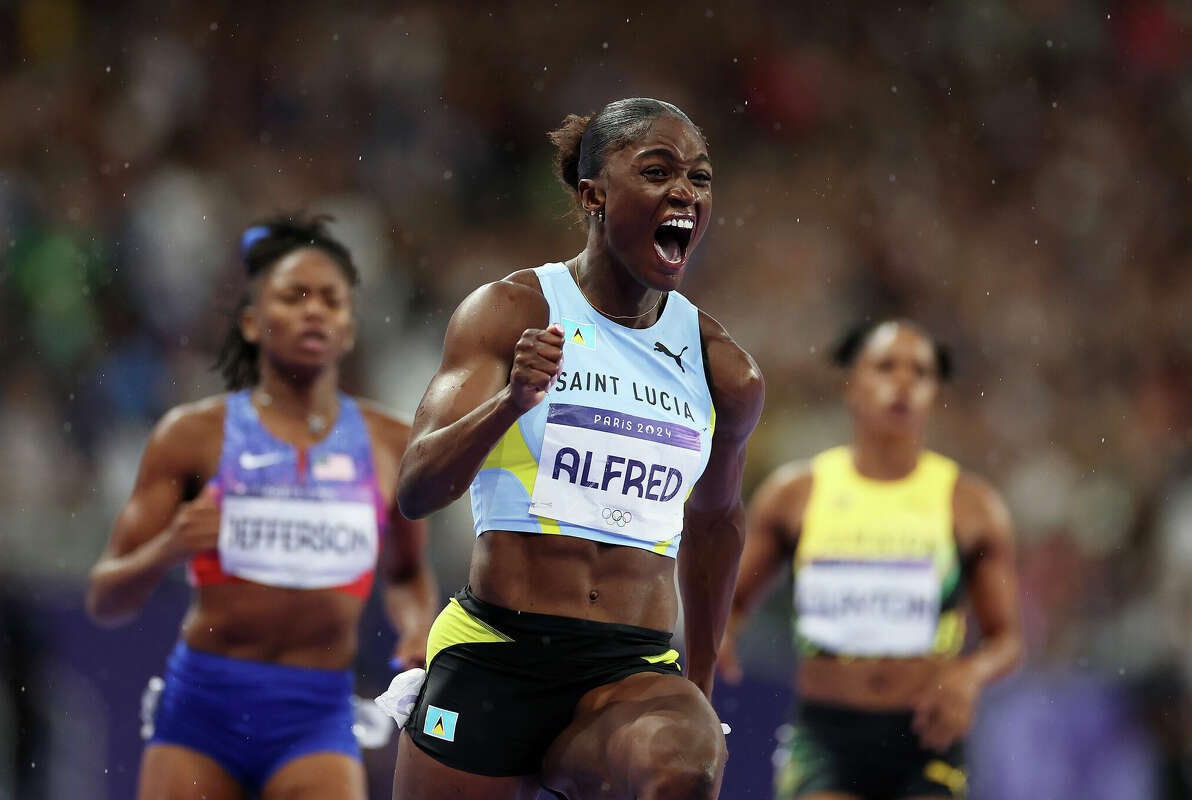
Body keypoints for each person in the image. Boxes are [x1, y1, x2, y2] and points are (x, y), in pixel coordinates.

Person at [391, 98, 764, 800]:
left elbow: (716, 524)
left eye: (701, 178)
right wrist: (512, 402)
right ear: (593, 195)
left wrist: (701, 690)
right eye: (658, 171)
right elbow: (416, 488)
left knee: (683, 768)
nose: (686, 190)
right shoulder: (511, 311)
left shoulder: (724, 371)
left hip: (629, 674)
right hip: (495, 652)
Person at [86, 215, 438, 800]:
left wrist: (415, 627)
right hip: (202, 707)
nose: (314, 311)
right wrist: (167, 549)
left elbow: (405, 574)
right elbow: (105, 598)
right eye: (294, 296)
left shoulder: (390, 443)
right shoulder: (193, 435)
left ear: (349, 328)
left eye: (331, 299)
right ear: (252, 322)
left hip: (317, 713)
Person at [718, 319, 1024, 800]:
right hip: (826, 734)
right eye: (884, 367)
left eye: (920, 372)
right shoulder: (795, 495)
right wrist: (723, 633)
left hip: (927, 734)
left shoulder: (971, 506)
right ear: (851, 385)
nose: (902, 382)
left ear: (935, 392)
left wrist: (969, 674)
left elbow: (1006, 640)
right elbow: (727, 600)